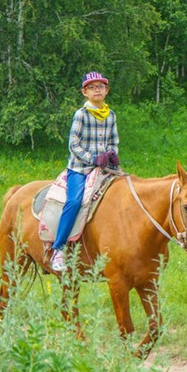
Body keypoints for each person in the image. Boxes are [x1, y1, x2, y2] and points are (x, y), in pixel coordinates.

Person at [51, 71, 120, 272]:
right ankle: (59, 248)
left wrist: (112, 154)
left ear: (106, 91)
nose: (97, 90)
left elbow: (113, 141)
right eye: (92, 87)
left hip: (105, 168)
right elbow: (74, 145)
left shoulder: (111, 115)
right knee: (74, 201)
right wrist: (93, 158)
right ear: (84, 92)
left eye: (101, 86)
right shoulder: (81, 115)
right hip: (80, 169)